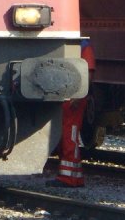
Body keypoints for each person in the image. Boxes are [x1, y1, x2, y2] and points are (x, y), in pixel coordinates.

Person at [49, 40, 96, 188]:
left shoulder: (83, 46)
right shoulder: (81, 45)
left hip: (73, 98)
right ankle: (74, 177)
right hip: (68, 96)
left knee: (69, 136)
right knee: (66, 136)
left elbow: (88, 72)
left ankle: (69, 178)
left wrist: (80, 94)